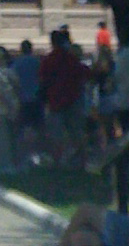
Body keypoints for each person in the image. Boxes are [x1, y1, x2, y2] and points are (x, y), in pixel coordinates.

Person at [40, 28, 90, 166]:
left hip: (55, 101)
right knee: (77, 133)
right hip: (73, 99)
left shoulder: (48, 60)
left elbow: (43, 81)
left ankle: (57, 161)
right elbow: (84, 73)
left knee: (56, 134)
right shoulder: (71, 59)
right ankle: (81, 160)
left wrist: (45, 100)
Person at [0, 49, 22, 173]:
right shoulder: (11, 72)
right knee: (14, 137)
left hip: (1, 110)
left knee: (4, 139)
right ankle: (16, 163)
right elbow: (18, 88)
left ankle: (5, 166)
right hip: (14, 106)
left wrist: (5, 106)